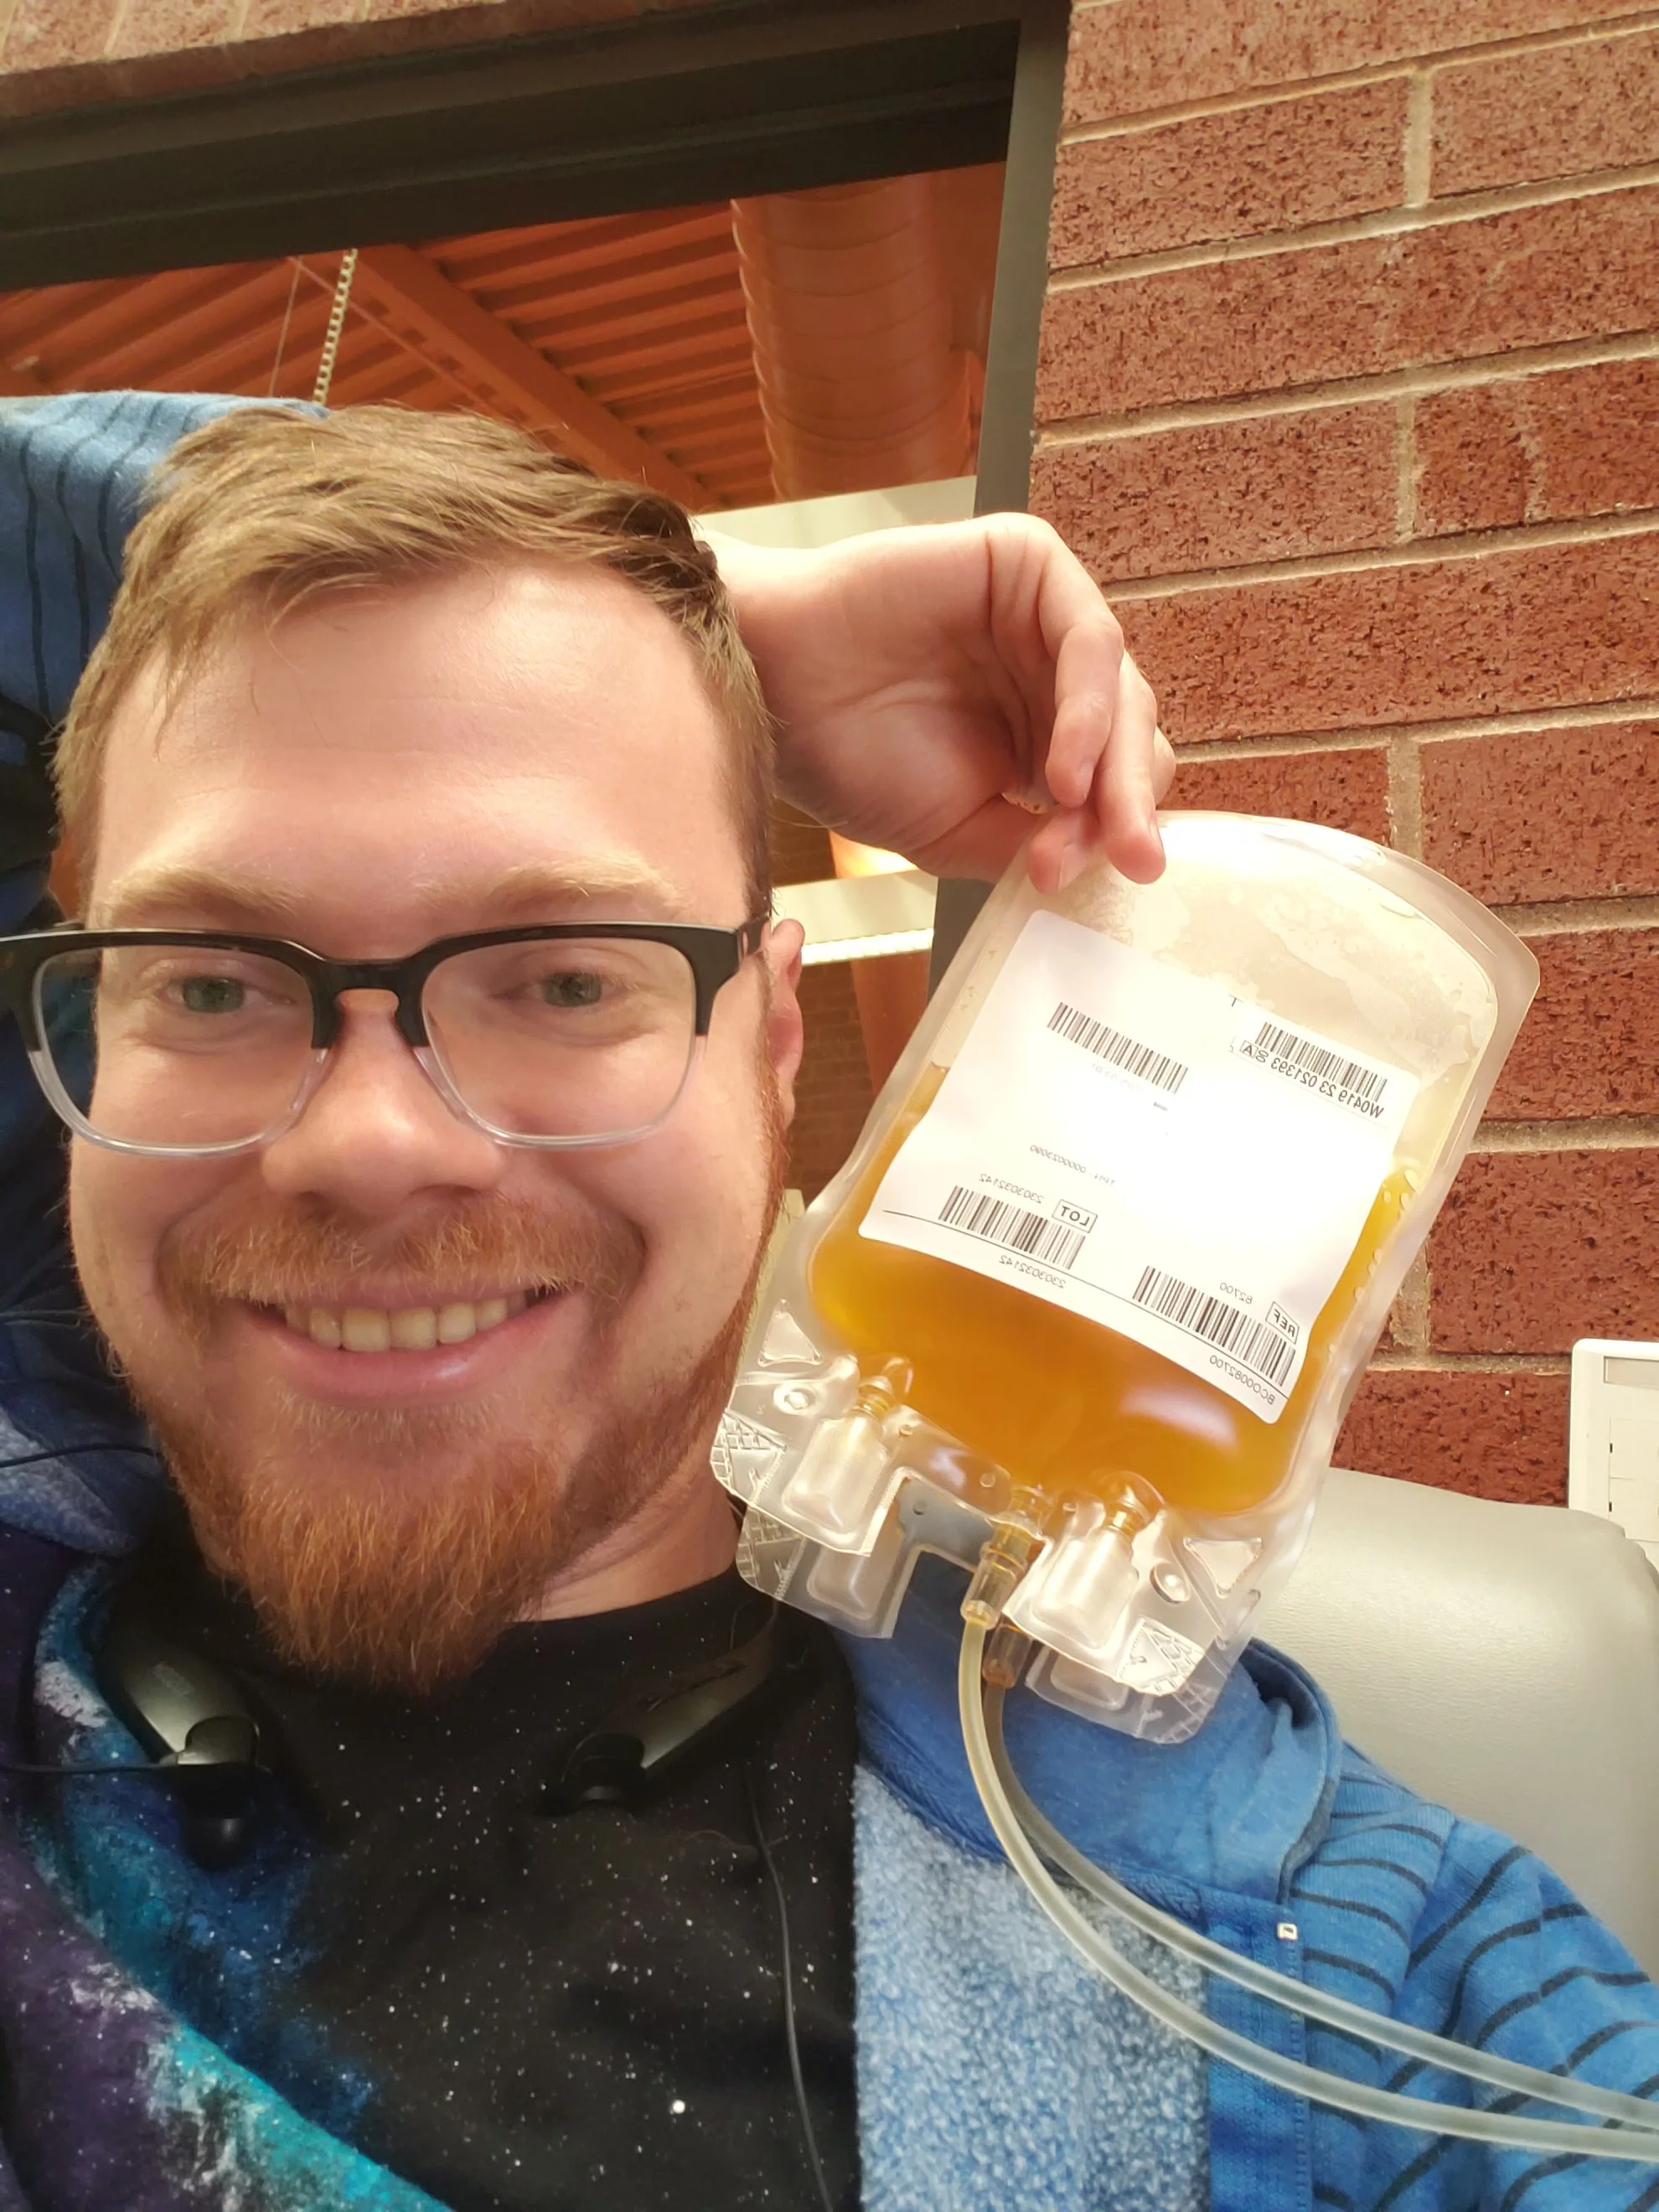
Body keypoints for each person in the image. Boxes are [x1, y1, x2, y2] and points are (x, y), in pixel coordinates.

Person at [0, 396, 1655, 2212]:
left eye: (562, 978)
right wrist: (705, 609)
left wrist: (629, 636)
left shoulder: (1357, 1988)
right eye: (214, 984)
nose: (372, 1142)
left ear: (775, 1040)